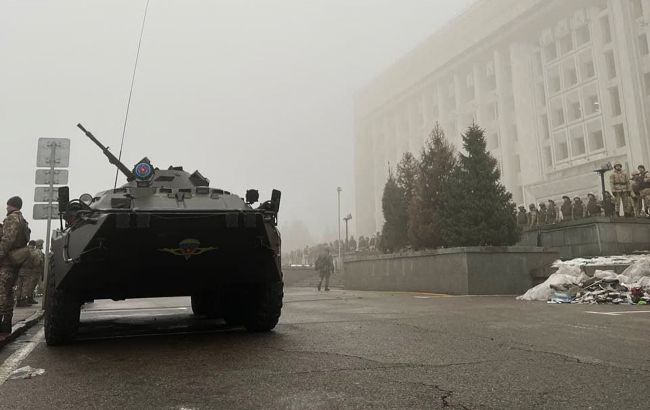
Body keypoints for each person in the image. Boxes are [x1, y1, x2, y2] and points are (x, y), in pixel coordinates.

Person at [0, 196, 30, 334]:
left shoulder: (12, 218)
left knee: (2, 292)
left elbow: (7, 240)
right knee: (8, 291)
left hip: (7, 261)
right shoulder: (23, 220)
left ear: (12, 205)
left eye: (8, 205)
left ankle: (3, 323)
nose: (6, 208)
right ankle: (6, 322)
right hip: (15, 260)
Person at [16, 239, 44, 307]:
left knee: (19, 286)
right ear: (34, 245)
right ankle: (23, 300)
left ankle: (18, 300)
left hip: (20, 270)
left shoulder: (23, 250)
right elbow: (36, 263)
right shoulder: (34, 252)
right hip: (28, 271)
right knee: (25, 286)